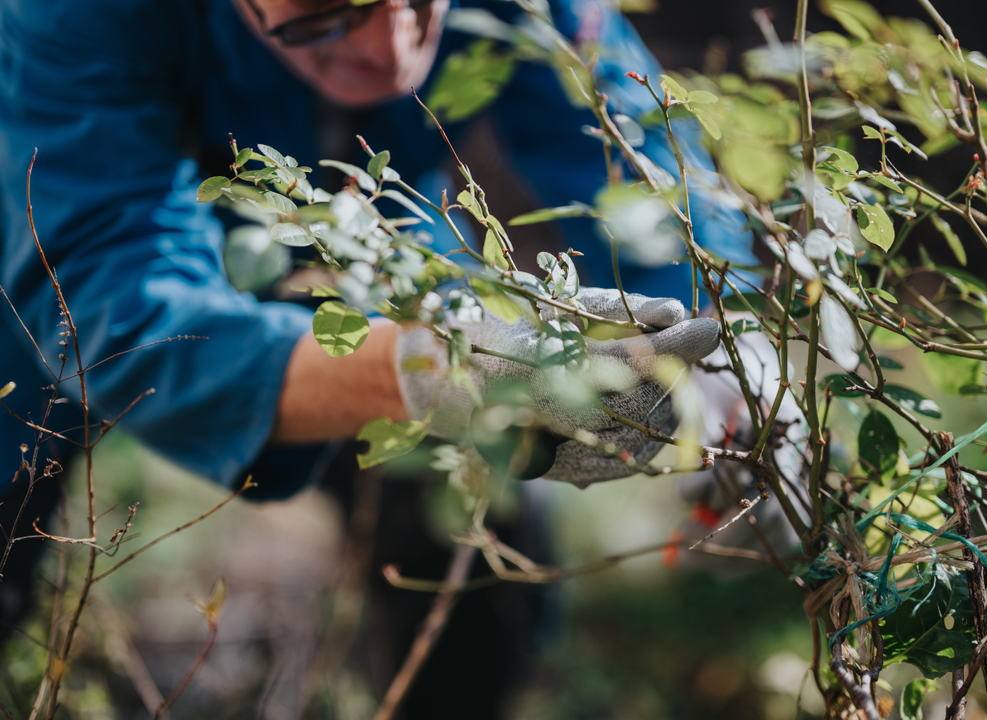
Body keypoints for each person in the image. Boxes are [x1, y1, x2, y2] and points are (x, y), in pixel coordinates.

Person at [0, 0, 763, 714]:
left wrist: (738, 353)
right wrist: (431, 370)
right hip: (55, 259)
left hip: (372, 260)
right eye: (328, 14)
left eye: (421, 3)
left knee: (477, 533)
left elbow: (625, 135)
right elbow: (111, 303)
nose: (393, 53)